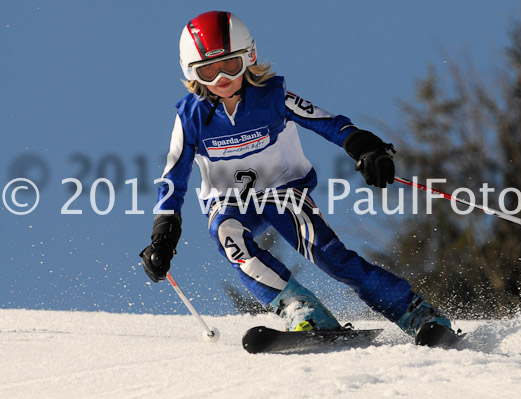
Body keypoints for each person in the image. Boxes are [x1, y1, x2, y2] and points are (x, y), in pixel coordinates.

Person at [140, 10, 456, 344]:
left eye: (229, 65)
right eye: (207, 71)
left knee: (330, 257)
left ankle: (415, 313)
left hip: (282, 192)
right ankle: (302, 310)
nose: (220, 78)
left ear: (248, 57)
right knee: (226, 233)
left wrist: (366, 148)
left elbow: (327, 122)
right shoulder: (191, 117)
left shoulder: (272, 98)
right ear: (192, 73)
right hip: (228, 201)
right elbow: (173, 177)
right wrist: (163, 236)